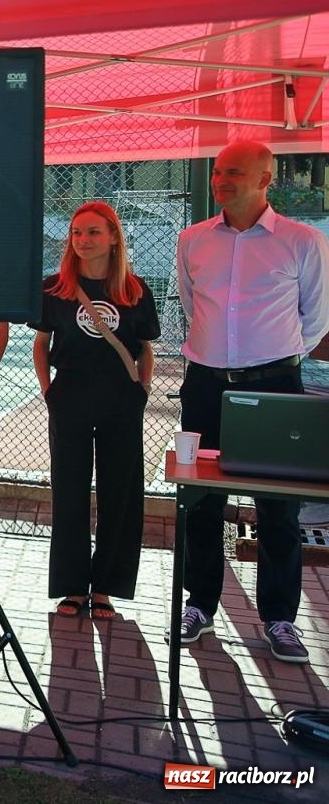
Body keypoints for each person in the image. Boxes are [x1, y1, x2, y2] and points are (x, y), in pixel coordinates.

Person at [176, 140, 329, 663]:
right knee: (199, 499)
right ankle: (198, 604)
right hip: (204, 385)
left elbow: (317, 319)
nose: (221, 181)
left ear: (266, 179)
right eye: (218, 172)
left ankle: (280, 618)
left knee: (278, 505)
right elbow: (191, 302)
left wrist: (271, 358)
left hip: (273, 386)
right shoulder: (192, 240)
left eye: (234, 173)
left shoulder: (303, 241)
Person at [32, 202, 159, 620]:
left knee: (119, 493)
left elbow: (144, 349)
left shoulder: (136, 291)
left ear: (114, 237)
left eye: (93, 233)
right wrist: (49, 391)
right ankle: (71, 586)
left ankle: (105, 587)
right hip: (69, 397)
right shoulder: (54, 288)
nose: (83, 241)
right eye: (77, 233)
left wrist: (141, 390)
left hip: (121, 400)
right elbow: (41, 344)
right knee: (69, 491)